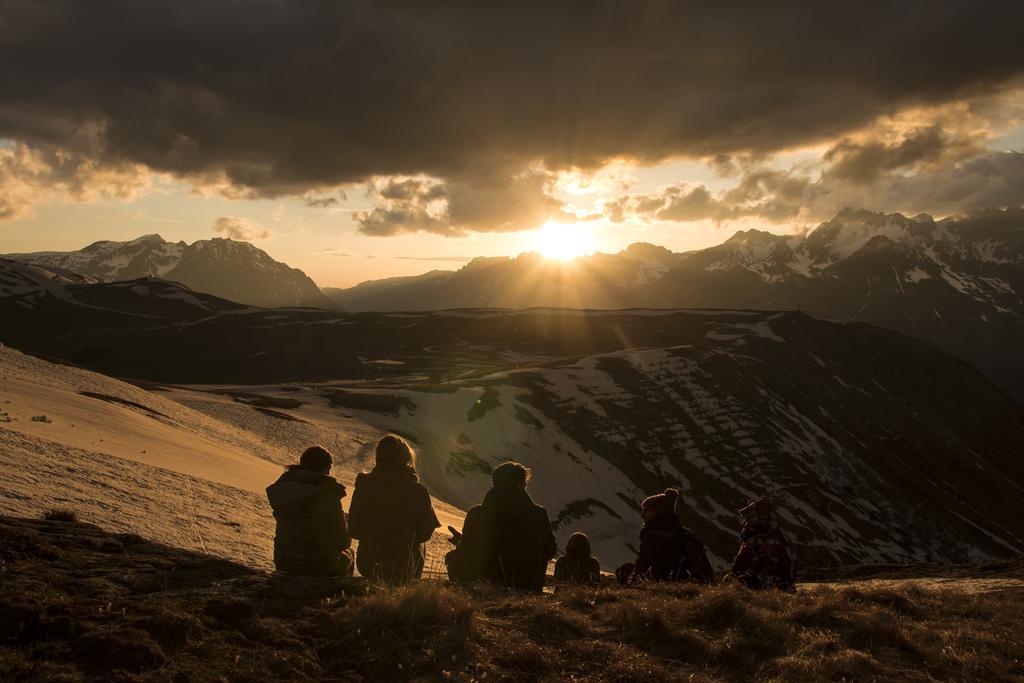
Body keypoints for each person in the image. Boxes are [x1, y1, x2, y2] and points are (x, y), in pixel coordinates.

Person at [446, 461, 557, 591]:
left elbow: (465, 551)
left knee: (452, 557)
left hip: (485, 585)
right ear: (520, 485)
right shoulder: (539, 515)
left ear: (494, 483)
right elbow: (550, 551)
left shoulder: (477, 514)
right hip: (527, 587)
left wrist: (460, 542)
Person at [347, 435, 441, 584]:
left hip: (368, 565)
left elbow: (353, 530)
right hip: (405, 567)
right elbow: (424, 534)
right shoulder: (417, 491)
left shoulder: (364, 486)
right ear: (405, 460)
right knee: (418, 545)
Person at [266, 446, 353, 576]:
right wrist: (347, 525)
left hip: (284, 562)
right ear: (325, 468)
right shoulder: (327, 494)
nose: (329, 473)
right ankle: (337, 592)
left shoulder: (284, 489)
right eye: (329, 468)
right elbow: (342, 542)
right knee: (348, 555)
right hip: (318, 566)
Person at [617, 488, 714, 584]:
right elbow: (708, 573)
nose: (642, 515)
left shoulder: (651, 538)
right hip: (690, 590)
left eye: (646, 510)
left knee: (625, 569)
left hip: (660, 589)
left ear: (659, 511)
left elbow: (639, 573)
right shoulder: (688, 535)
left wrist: (625, 578)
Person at [730, 497, 796, 591]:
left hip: (765, 589)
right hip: (773, 588)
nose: (746, 520)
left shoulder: (759, 538)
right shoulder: (775, 535)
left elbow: (742, 565)